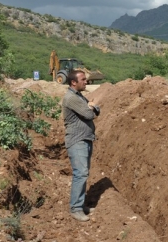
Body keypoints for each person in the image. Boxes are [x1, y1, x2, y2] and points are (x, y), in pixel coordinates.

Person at [62, 69, 100, 222]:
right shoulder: (71, 98)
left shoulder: (78, 96)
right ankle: (75, 208)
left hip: (85, 139)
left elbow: (96, 109)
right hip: (77, 140)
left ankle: (80, 204)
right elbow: (90, 113)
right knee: (81, 173)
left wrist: (91, 106)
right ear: (73, 82)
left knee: (83, 173)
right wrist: (90, 106)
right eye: (83, 79)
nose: (86, 82)